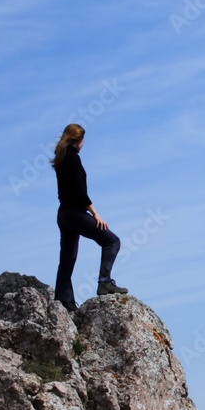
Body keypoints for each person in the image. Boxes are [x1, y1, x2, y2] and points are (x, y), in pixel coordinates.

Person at [51, 123, 128, 312]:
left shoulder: (60, 159)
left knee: (67, 259)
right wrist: (95, 213)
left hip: (64, 215)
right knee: (112, 241)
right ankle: (104, 282)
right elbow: (79, 193)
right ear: (79, 140)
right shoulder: (73, 159)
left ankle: (64, 301)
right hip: (76, 214)